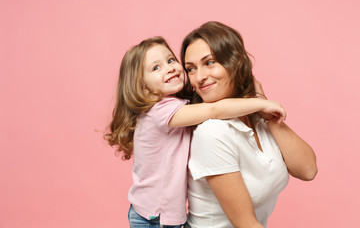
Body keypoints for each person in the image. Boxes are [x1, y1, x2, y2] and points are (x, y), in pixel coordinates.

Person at [104, 36, 287, 228]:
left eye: (171, 60)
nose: (170, 68)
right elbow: (213, 109)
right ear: (141, 85)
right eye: (156, 68)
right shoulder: (158, 111)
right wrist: (260, 103)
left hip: (166, 216)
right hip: (152, 218)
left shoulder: (177, 106)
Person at [180, 21, 318, 228]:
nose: (199, 77)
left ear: (235, 62)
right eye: (191, 69)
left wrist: (268, 113)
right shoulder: (212, 132)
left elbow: (308, 170)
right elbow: (246, 224)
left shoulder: (256, 117)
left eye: (209, 63)